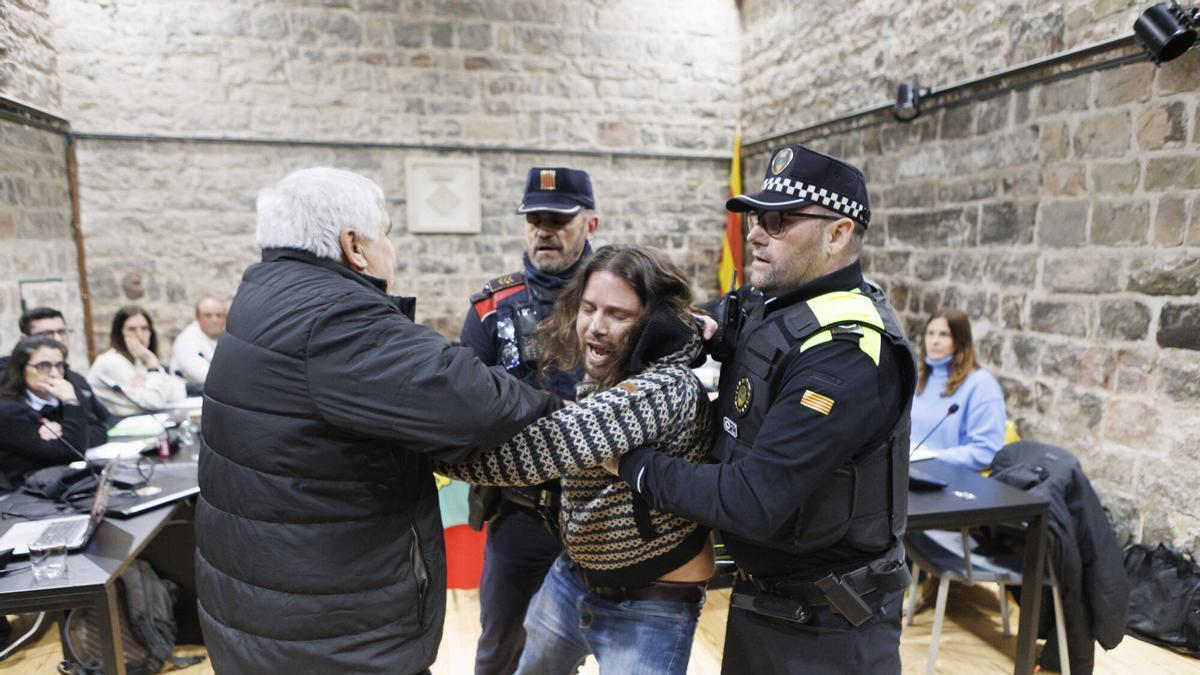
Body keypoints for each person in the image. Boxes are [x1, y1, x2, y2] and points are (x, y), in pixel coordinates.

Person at [195, 167, 559, 675]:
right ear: (354, 246)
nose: (392, 249)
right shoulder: (336, 319)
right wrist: (562, 411)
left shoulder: (266, 291)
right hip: (332, 635)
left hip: (271, 612)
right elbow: (471, 399)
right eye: (386, 233)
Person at [605, 144, 917, 674]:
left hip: (830, 630)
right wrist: (688, 332)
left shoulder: (847, 352)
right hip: (764, 602)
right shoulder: (775, 302)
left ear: (838, 233)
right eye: (755, 217)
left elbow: (754, 499)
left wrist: (630, 465)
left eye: (778, 220)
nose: (754, 233)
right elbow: (711, 325)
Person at [438, 244, 712, 675]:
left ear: (655, 320)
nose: (595, 327)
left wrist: (425, 450)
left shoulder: (663, 385)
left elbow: (540, 449)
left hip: (648, 603)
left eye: (617, 315)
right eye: (588, 308)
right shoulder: (611, 373)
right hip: (575, 577)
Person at [459, 166, 597, 675]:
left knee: (608, 643)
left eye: (559, 219)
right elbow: (465, 409)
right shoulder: (492, 309)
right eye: (535, 219)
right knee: (501, 647)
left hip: (605, 512)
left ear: (591, 224)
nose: (545, 230)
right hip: (521, 513)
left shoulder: (622, 302)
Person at [0, 336, 109, 487]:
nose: (54, 374)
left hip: (67, 482)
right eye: (43, 366)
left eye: (59, 365)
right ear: (21, 369)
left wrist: (62, 433)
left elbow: (99, 431)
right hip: (26, 492)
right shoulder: (7, 409)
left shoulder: (64, 392)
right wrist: (71, 406)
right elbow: (72, 451)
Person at [911, 308, 1006, 471]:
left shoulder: (981, 384)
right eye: (930, 333)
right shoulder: (916, 376)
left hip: (950, 481)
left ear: (960, 340)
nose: (934, 341)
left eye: (944, 335)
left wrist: (932, 456)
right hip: (907, 474)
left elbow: (987, 452)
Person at [0, 306, 116, 431]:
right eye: (45, 334)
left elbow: (103, 421)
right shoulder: (8, 379)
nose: (57, 339)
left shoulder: (75, 378)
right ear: (24, 340)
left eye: (61, 332)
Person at [87, 306, 188, 417]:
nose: (140, 335)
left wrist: (149, 386)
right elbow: (154, 402)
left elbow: (177, 393)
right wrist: (151, 364)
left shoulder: (139, 360)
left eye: (144, 328)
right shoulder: (110, 362)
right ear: (119, 334)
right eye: (131, 329)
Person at [169, 296, 226, 385]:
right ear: (198, 318)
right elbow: (204, 376)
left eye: (219, 315)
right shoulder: (186, 341)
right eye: (208, 315)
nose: (214, 320)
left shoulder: (228, 338)